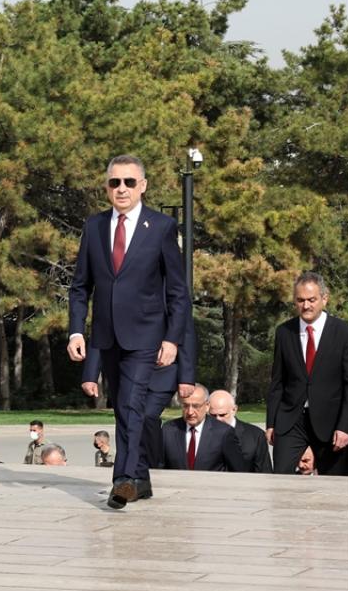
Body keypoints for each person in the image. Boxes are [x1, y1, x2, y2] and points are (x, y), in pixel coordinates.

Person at [68, 154, 191, 509]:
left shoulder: (162, 227)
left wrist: (171, 339)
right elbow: (80, 287)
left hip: (146, 335)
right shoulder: (94, 227)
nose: (121, 189)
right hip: (107, 336)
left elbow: (178, 292)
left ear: (143, 186)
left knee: (130, 404)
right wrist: (77, 332)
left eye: (129, 182)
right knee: (124, 411)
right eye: (114, 182)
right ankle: (143, 478)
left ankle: (122, 479)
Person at [83, 304, 196, 499]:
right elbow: (101, 332)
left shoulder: (167, 293)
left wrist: (186, 377)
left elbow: (185, 332)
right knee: (128, 419)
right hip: (127, 373)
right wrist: (91, 374)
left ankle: (145, 467)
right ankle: (140, 478)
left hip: (162, 374)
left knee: (144, 417)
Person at [266, 272, 348, 476]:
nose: (306, 306)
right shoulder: (284, 333)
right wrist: (271, 423)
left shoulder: (345, 333)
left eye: (311, 300)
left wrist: (346, 426)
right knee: (281, 481)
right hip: (291, 421)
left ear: (324, 298)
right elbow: (277, 382)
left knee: (335, 487)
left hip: (331, 423)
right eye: (300, 300)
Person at [160, 384, 247, 472]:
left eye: (196, 406)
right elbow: (159, 466)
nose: (190, 412)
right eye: (186, 406)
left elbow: (238, 471)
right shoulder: (168, 430)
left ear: (207, 406)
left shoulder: (224, 433)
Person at [208, 389, 271, 473]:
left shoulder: (256, 436)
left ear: (234, 410)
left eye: (222, 415)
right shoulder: (201, 433)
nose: (218, 419)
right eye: (213, 415)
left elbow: (264, 471)